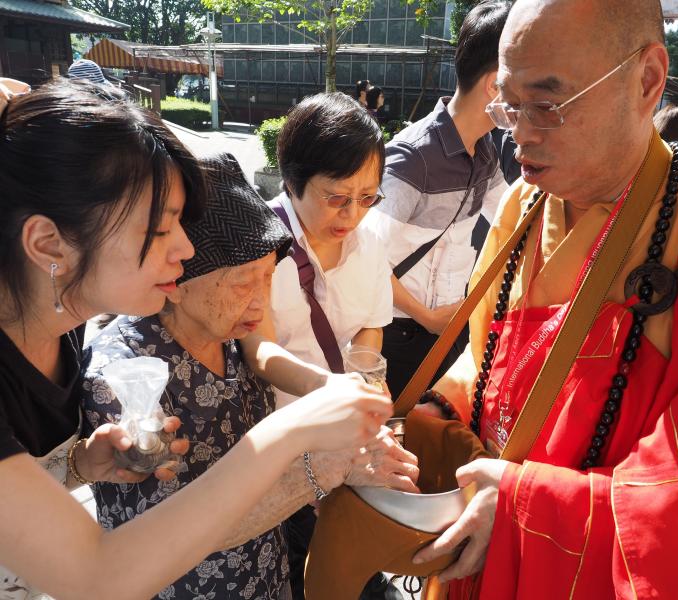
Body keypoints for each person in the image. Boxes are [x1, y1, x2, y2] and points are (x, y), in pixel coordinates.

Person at [407, 1, 678, 598]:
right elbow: (493, 353)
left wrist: (521, 506)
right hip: (478, 553)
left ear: (647, 80)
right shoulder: (523, 205)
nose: (521, 133)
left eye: (547, 105)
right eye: (509, 104)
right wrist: (440, 408)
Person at [0, 78, 391, 600]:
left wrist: (81, 464)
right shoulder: (105, 349)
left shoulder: (63, 329)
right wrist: (297, 434)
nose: (186, 249)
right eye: (160, 229)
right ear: (49, 243)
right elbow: (96, 576)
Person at [81, 153, 409, 600]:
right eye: (242, 284)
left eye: (269, 279)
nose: (260, 303)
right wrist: (323, 470)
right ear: (174, 280)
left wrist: (335, 403)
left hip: (267, 577)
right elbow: (165, 536)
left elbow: (268, 360)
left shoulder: (234, 336)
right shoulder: (126, 374)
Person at [251, 92, 411, 600]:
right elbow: (258, 351)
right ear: (293, 179)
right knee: (298, 559)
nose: (353, 215)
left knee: (347, 555)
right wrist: (328, 389)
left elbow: (370, 322)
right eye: (338, 197)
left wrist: (363, 378)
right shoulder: (257, 245)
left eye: (368, 197)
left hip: (341, 428)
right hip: (276, 435)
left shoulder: (370, 241)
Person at [365, 0, 510, 399]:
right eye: (527, 82)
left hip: (446, 330)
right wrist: (428, 317)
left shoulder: (487, 152)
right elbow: (364, 257)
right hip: (399, 333)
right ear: (495, 85)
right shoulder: (413, 158)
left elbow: (515, 216)